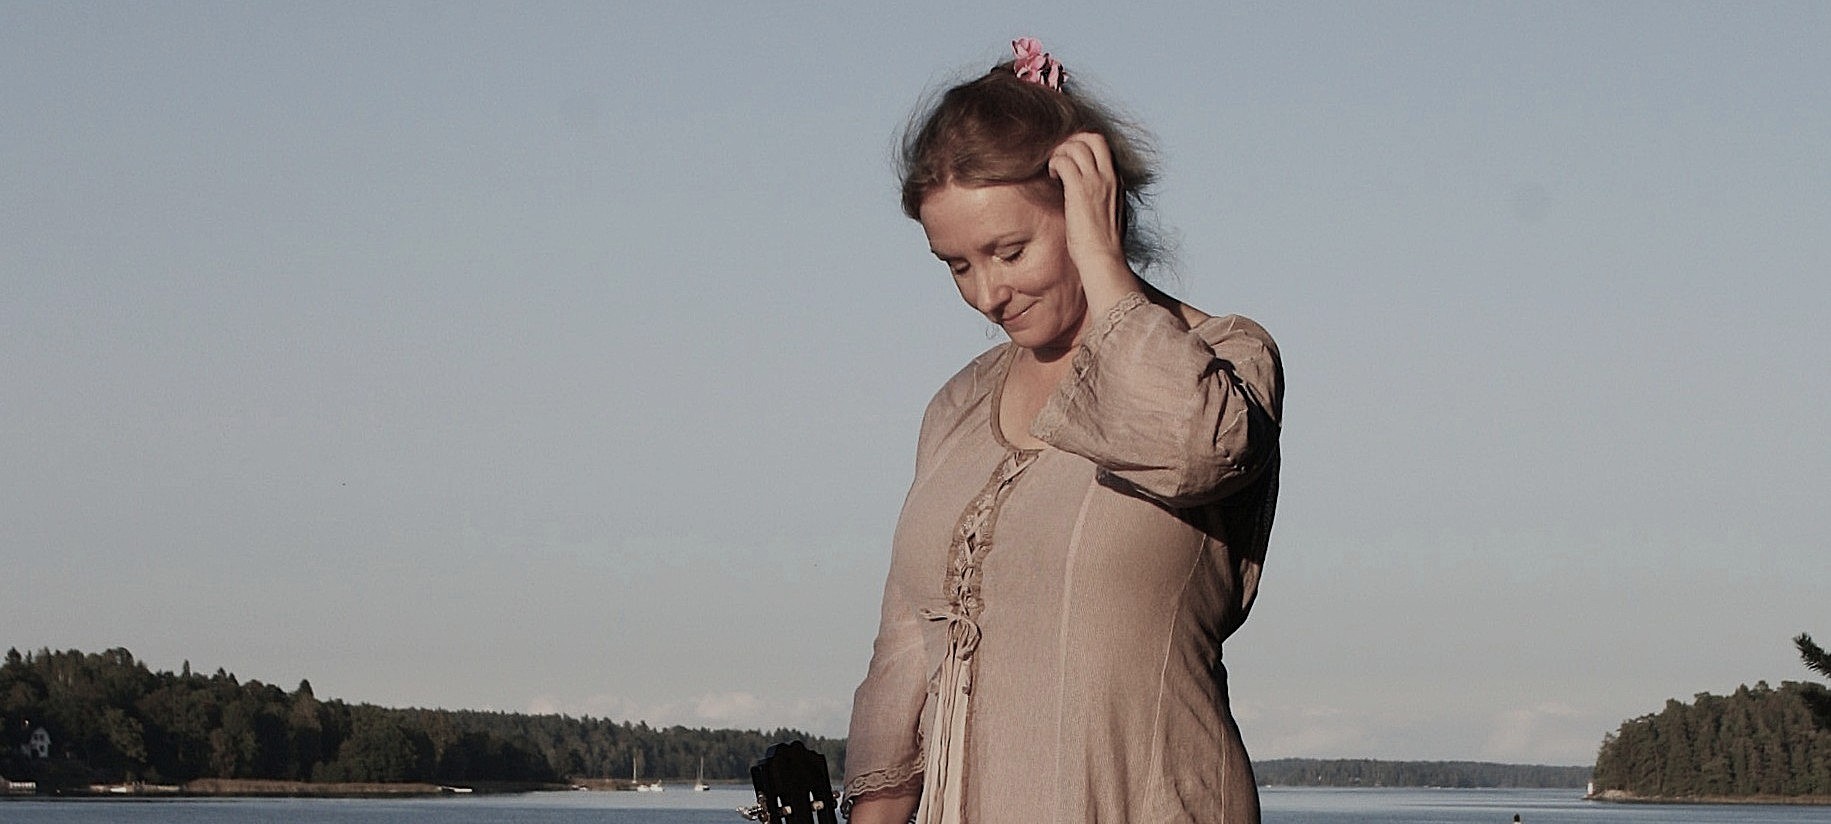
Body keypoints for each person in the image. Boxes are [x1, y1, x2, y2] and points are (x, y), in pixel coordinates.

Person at [841, 38, 1283, 824]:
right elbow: (904, 652)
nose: (986, 294)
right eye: (956, 265)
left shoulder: (1223, 360)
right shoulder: (956, 407)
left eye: (1008, 251)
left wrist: (1104, 265)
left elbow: (1193, 451)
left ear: (1087, 209)